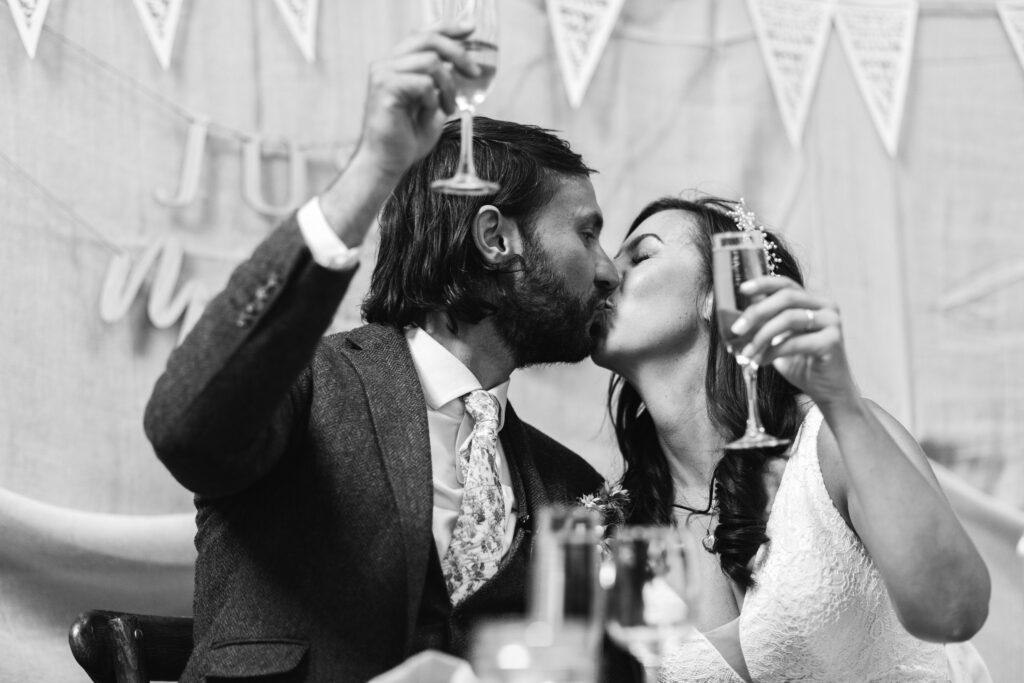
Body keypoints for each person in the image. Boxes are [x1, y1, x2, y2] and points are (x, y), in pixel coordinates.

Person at [143, 22, 621, 682]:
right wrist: (374, 165)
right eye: (588, 233)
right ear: (495, 237)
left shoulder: (575, 487)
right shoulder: (311, 384)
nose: (609, 269)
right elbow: (184, 426)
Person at [592, 195, 992, 682]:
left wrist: (840, 400)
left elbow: (954, 612)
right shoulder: (616, 534)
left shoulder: (834, 442)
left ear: (720, 291)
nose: (607, 274)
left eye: (641, 256)